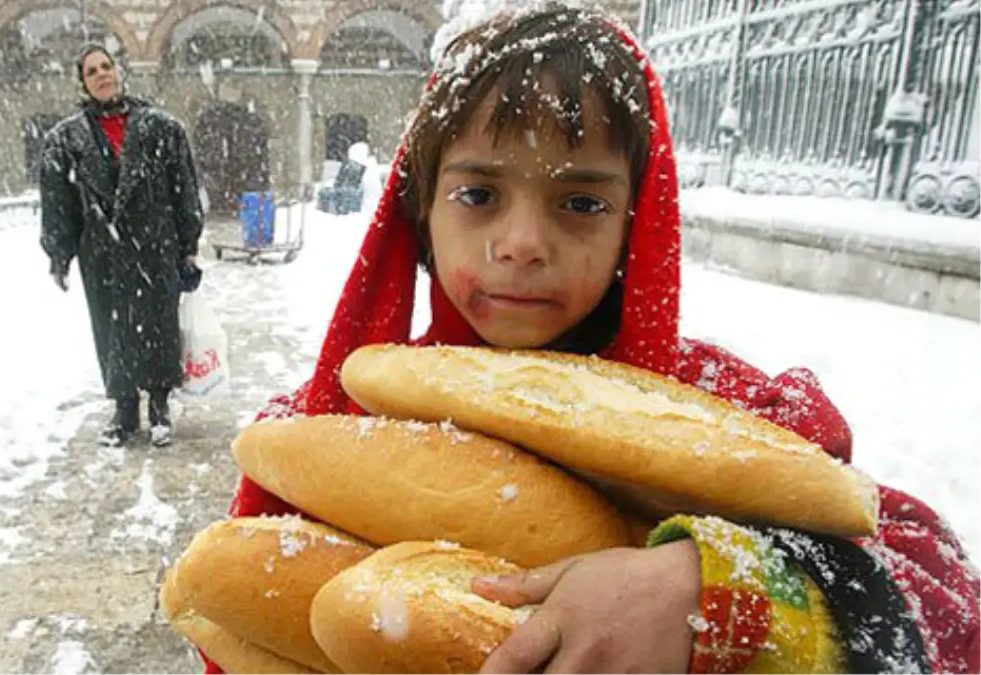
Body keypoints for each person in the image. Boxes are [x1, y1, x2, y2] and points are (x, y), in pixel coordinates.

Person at [194, 5, 981, 674]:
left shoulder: (727, 414)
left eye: (579, 201)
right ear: (418, 215)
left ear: (638, 225)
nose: (522, 242)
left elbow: (942, 595)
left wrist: (712, 587)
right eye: (477, 192)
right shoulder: (323, 432)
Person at [39, 44, 205, 448]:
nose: (101, 75)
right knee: (112, 328)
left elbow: (184, 189)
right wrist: (59, 254)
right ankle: (124, 409)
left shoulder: (162, 128)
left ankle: (161, 408)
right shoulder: (65, 139)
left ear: (119, 72)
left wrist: (188, 241)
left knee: (157, 325)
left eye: (106, 66)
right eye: (91, 71)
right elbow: (57, 202)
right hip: (102, 253)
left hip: (154, 246)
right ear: (83, 82)